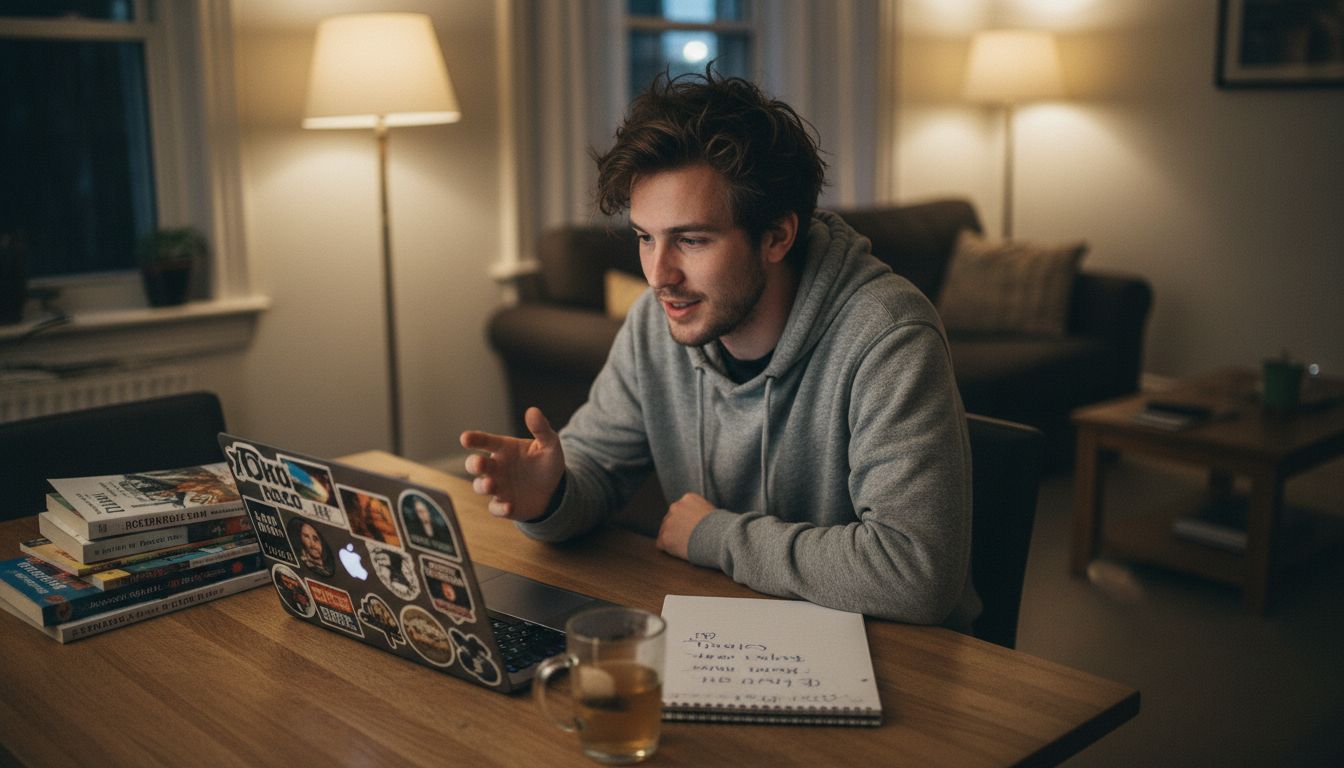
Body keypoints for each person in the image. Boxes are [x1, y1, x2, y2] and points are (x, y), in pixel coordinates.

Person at [461, 70, 978, 627]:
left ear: (776, 236)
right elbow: (596, 467)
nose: (659, 276)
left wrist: (716, 535)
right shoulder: (656, 323)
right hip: (732, 629)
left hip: (895, 654)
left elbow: (915, 572)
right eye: (645, 238)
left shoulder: (889, 337)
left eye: (691, 240)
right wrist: (553, 494)